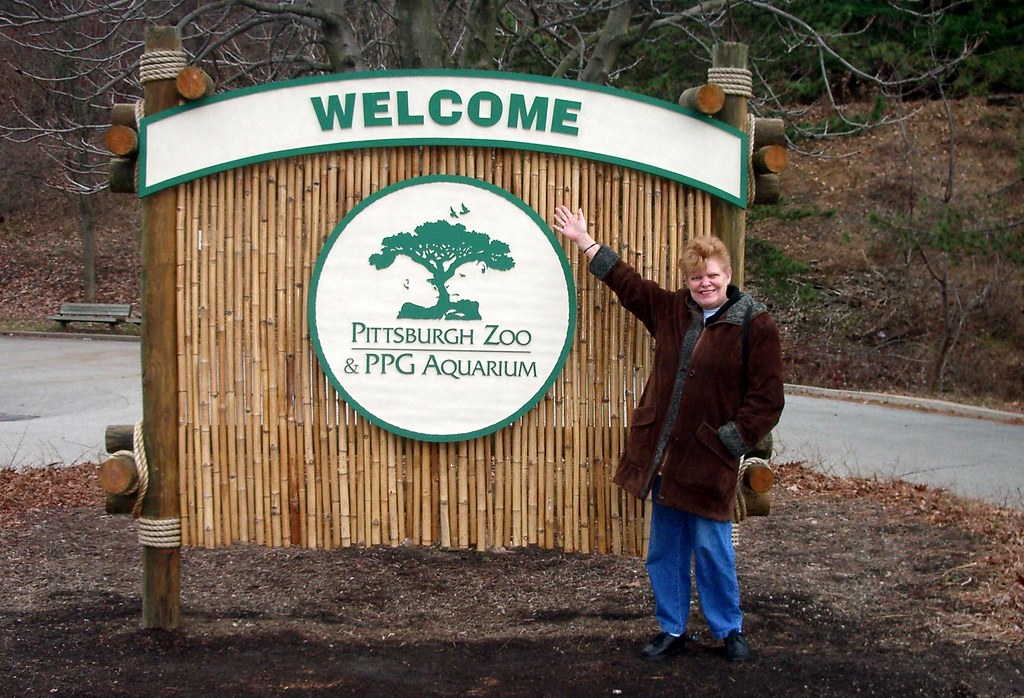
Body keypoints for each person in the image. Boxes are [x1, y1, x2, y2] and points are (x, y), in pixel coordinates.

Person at [551, 205, 785, 663]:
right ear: (687, 281)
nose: (705, 284)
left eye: (713, 276)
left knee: (712, 547)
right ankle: (672, 628)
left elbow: (768, 400)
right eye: (696, 278)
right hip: (665, 457)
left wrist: (729, 442)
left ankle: (728, 628)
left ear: (728, 274)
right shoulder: (673, 311)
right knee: (666, 550)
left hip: (710, 460)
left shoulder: (755, 327)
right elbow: (628, 283)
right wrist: (584, 241)